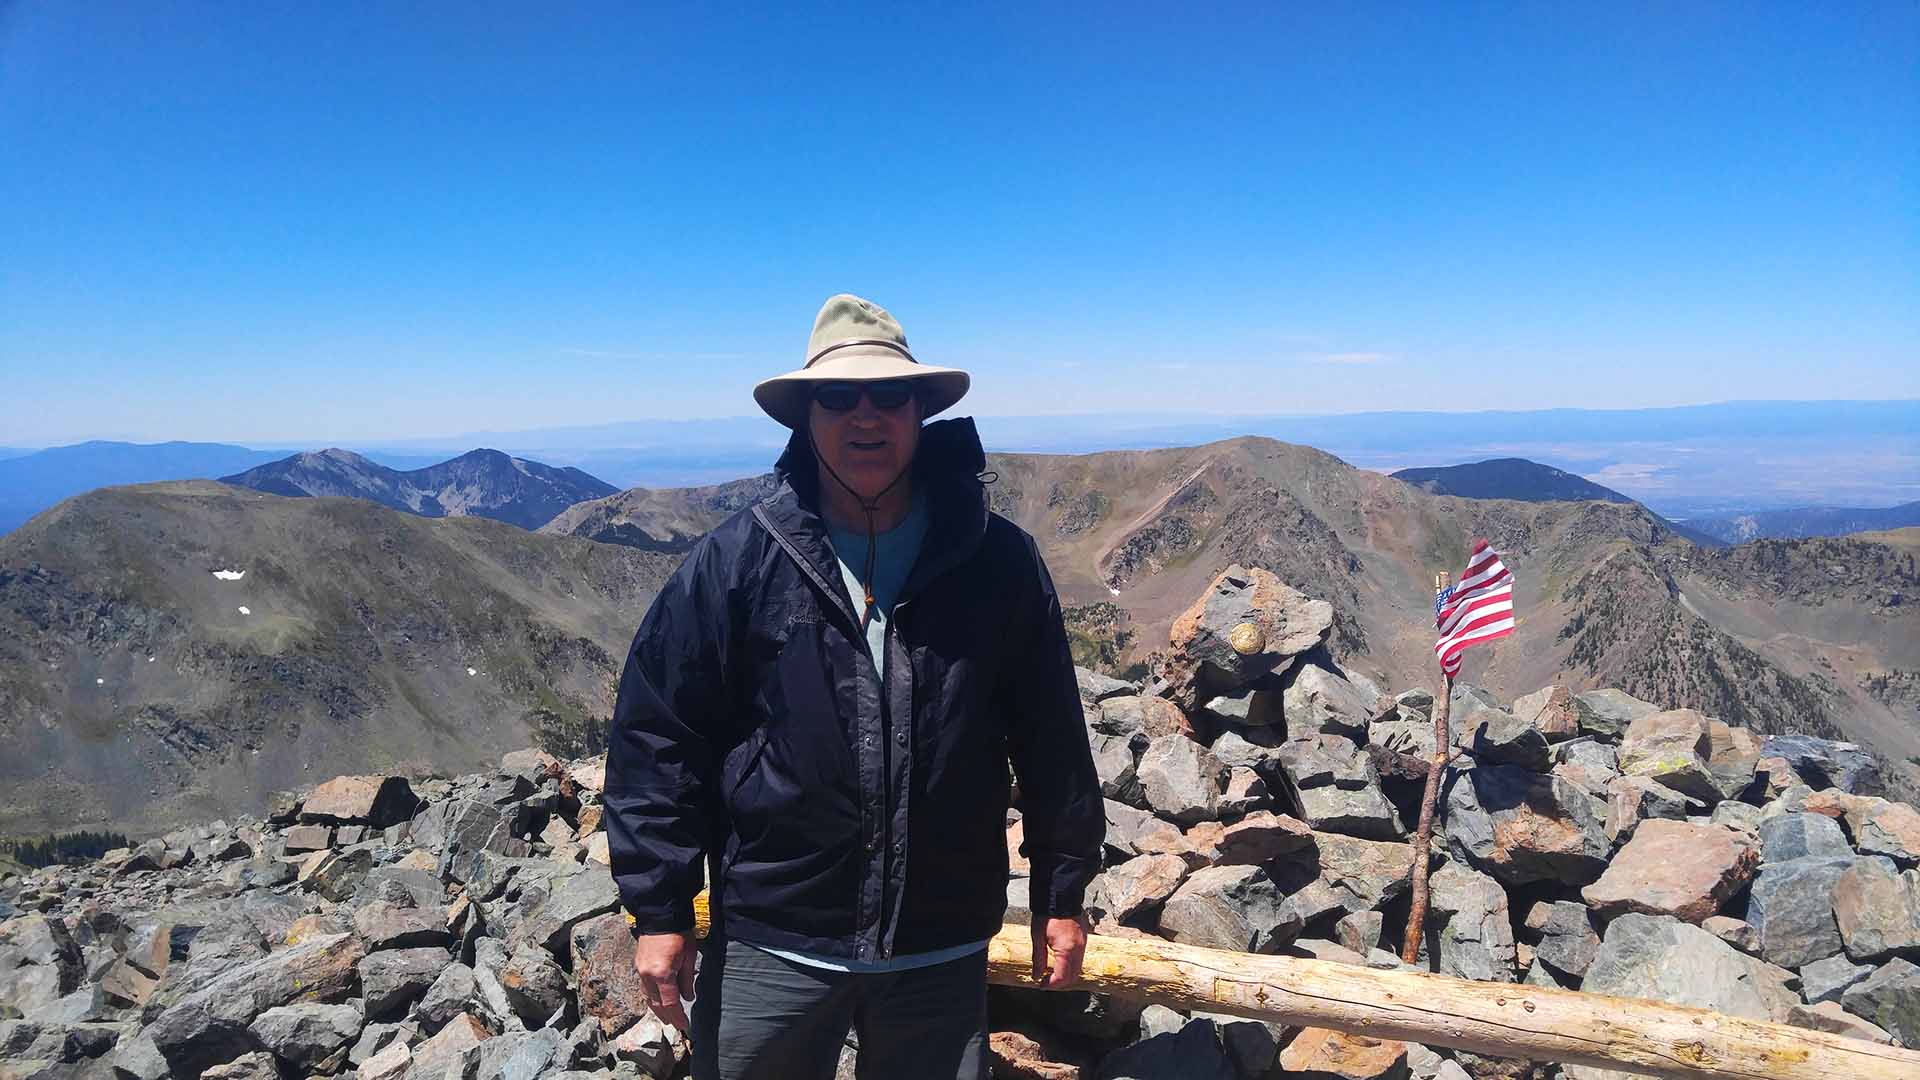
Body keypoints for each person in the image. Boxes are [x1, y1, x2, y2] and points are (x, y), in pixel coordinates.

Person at [604, 294, 1106, 1080]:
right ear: (806, 415)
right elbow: (660, 736)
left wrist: (1063, 891)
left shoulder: (999, 560)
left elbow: (1051, 739)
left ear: (920, 411)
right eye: (838, 396)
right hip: (775, 934)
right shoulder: (738, 560)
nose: (864, 415)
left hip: (937, 943)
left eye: (889, 395)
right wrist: (661, 910)